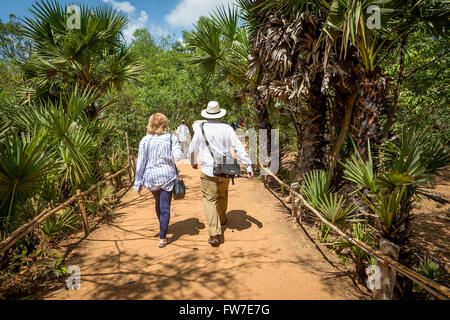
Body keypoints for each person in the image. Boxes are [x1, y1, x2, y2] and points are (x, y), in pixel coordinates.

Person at [188, 101, 254, 246]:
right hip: (225, 169)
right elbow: (238, 148)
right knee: (223, 194)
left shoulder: (201, 128)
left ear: (207, 114)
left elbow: (193, 148)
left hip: (208, 169)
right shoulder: (227, 128)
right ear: (219, 114)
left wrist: (193, 161)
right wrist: (248, 166)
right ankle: (222, 218)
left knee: (210, 200)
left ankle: (214, 234)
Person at [134, 113, 183, 248]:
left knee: (158, 202)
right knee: (165, 206)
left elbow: (141, 163)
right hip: (166, 176)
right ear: (164, 124)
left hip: (151, 178)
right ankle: (162, 237)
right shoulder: (171, 138)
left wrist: (137, 183)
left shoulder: (145, 140)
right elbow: (178, 157)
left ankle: (162, 226)